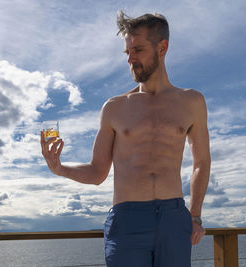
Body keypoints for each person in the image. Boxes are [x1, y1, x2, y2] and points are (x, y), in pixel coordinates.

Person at [40, 10, 211, 267]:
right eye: (127, 52)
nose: (130, 59)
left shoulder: (192, 102)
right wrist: (59, 168)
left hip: (174, 217)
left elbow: (201, 162)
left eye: (138, 50)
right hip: (127, 220)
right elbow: (98, 172)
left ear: (162, 48)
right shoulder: (114, 108)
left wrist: (195, 215)